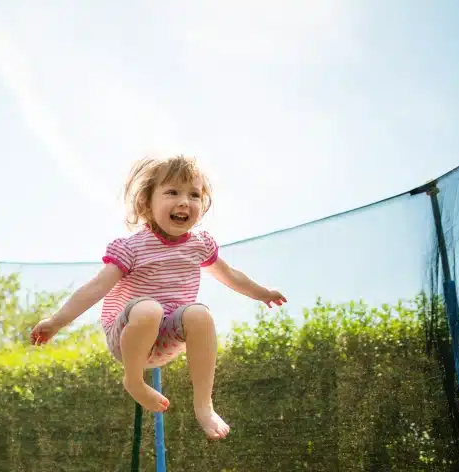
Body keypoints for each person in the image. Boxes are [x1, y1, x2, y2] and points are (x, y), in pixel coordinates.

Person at [30, 155, 285, 440]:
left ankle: (204, 405)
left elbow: (230, 275)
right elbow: (95, 288)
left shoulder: (200, 245)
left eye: (194, 194)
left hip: (166, 340)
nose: (184, 201)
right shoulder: (132, 247)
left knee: (200, 313)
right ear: (146, 203)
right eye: (172, 192)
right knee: (149, 308)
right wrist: (56, 321)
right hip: (127, 336)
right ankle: (134, 380)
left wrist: (263, 293)